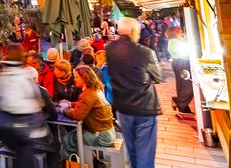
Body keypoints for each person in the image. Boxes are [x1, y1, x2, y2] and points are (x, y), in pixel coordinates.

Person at [106, 17, 162, 168]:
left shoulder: (109, 49)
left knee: (132, 151)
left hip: (123, 106)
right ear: (134, 32)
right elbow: (158, 77)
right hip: (145, 106)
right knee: (145, 152)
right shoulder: (146, 52)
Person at [0, 44, 49, 168]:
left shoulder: (2, 75)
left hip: (8, 127)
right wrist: (35, 104)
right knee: (26, 154)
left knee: (24, 154)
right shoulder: (20, 76)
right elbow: (11, 103)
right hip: (20, 128)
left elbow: (0, 101)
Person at [57, 66, 116, 158]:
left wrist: (63, 109)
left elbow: (77, 115)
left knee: (67, 140)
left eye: (76, 77)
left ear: (84, 78)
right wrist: (70, 104)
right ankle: (87, 161)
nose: (74, 79)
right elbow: (85, 104)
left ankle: (75, 163)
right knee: (73, 135)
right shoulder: (95, 89)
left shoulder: (88, 94)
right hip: (107, 131)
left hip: (101, 135)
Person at [166, 26, 194, 115]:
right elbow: (182, 53)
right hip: (182, 63)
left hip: (179, 63)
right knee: (188, 86)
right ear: (176, 32)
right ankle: (179, 102)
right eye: (180, 31)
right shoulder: (175, 41)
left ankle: (183, 107)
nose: (181, 33)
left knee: (181, 84)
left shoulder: (173, 41)